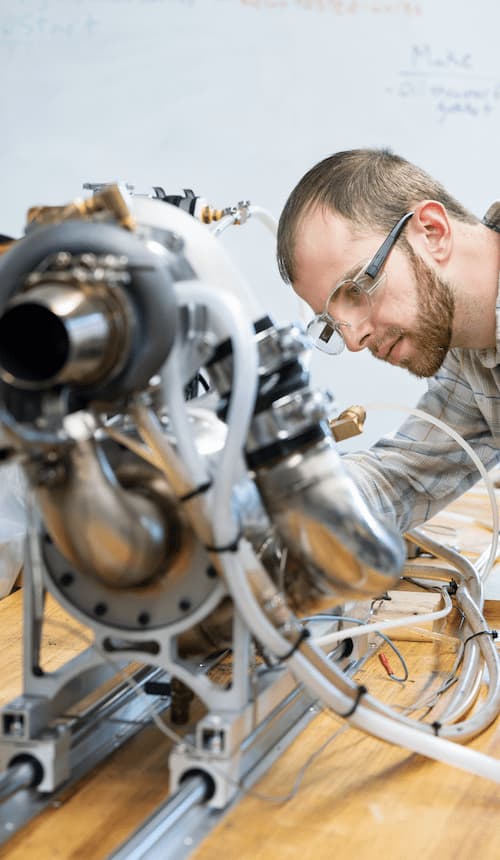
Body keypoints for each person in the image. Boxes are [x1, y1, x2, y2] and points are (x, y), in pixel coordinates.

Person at [276, 148, 500, 533]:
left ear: (432, 231)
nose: (354, 340)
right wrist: (286, 496)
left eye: (354, 289)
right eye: (333, 324)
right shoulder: (471, 357)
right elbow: (403, 479)